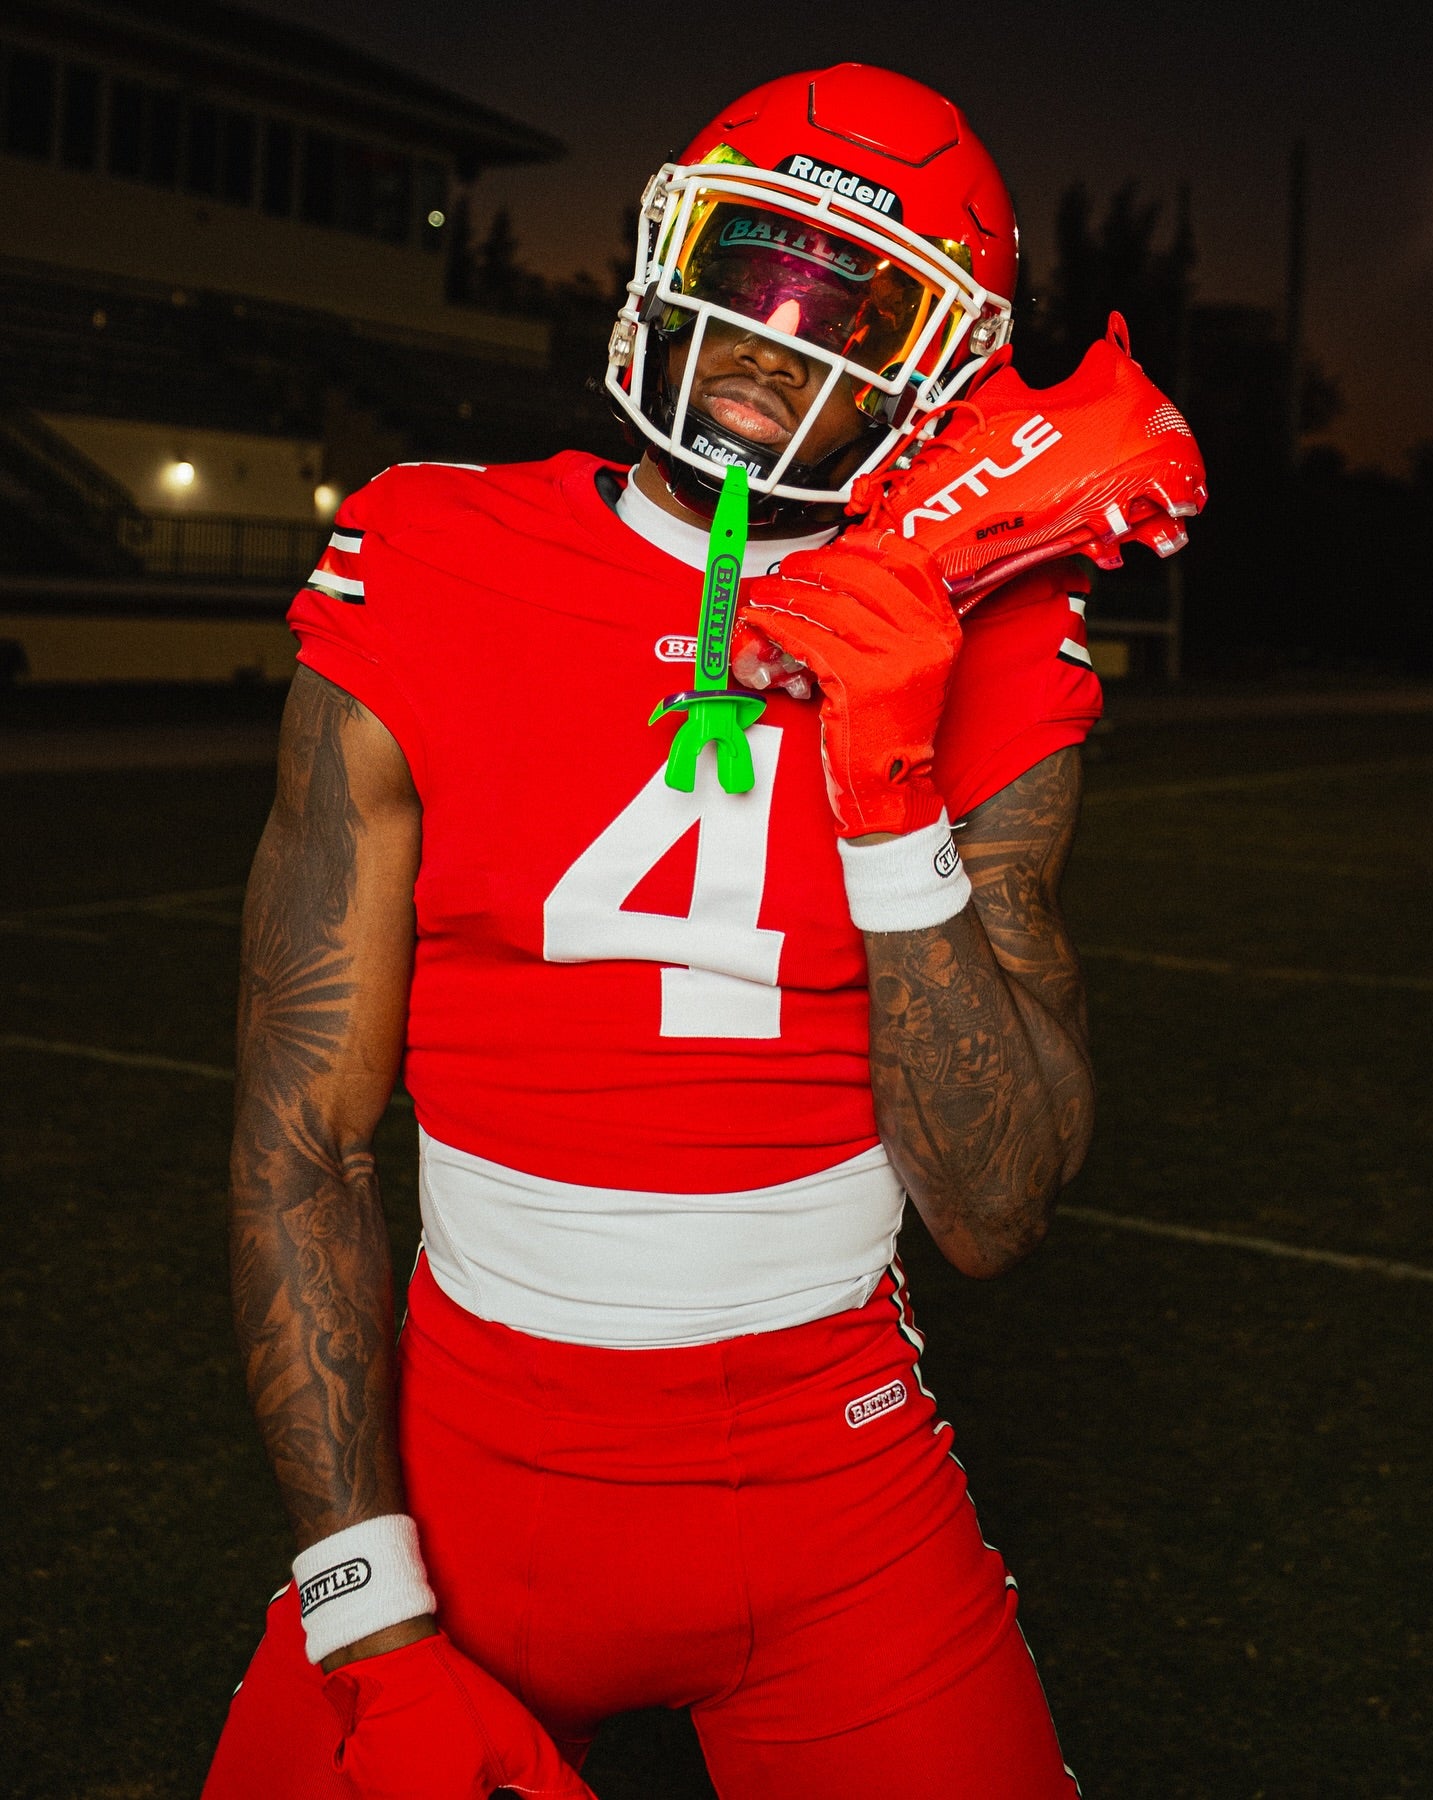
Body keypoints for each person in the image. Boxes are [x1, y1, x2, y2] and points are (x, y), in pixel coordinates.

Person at [202, 62, 1200, 1800]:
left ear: (942, 366)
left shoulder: (996, 633)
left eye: (851, 305)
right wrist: (366, 1613)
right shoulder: (428, 548)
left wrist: (888, 792)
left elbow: (994, 1207)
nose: (773, 337)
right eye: (751, 268)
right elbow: (301, 1138)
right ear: (667, 261)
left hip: (836, 1495)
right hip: (461, 1465)